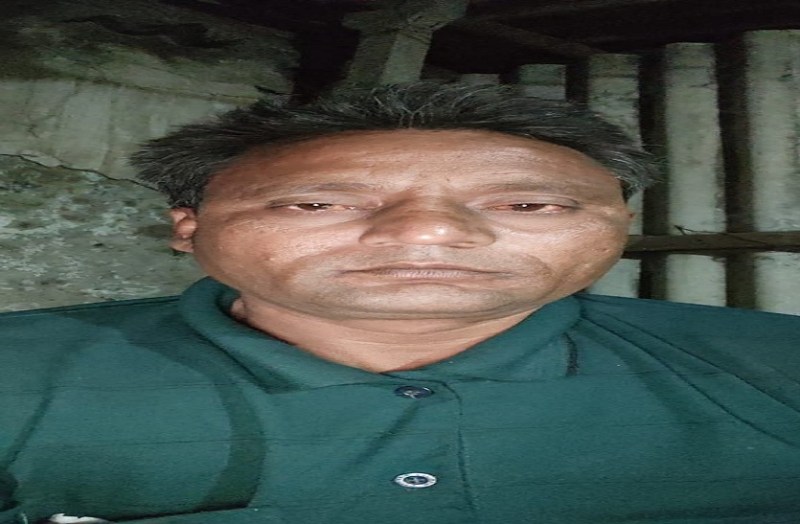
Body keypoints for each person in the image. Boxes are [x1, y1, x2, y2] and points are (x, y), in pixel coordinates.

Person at [1, 82, 798, 524]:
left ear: (620, 225)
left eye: (528, 204)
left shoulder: (778, 367)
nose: (427, 233)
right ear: (189, 228)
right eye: (317, 203)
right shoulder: (17, 372)